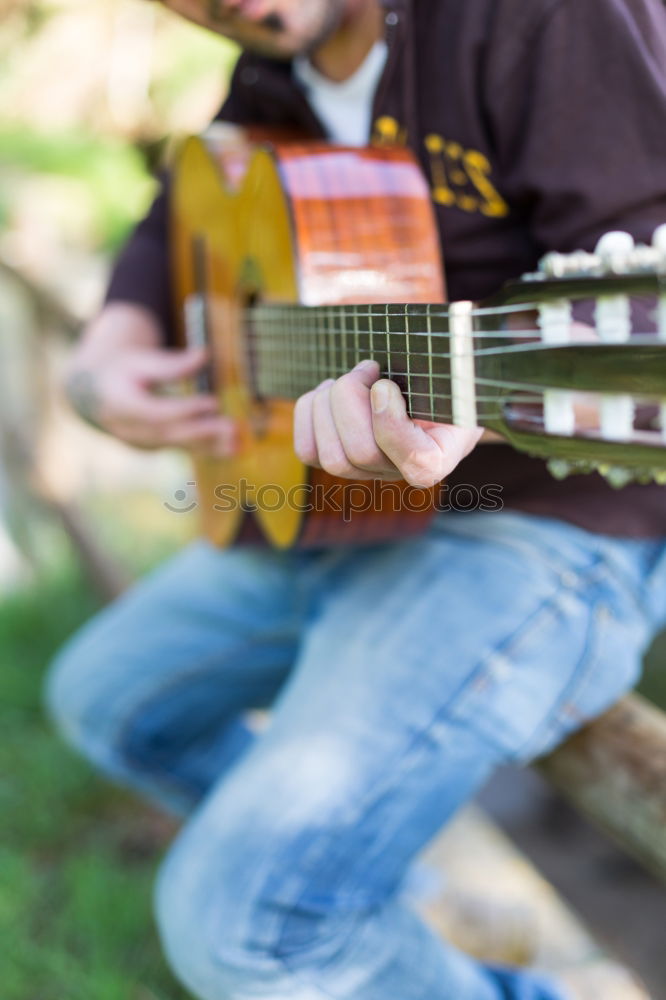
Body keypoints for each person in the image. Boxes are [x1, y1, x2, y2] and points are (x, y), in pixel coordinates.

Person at [46, 1, 666, 998]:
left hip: (546, 527)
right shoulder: (274, 69)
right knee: (109, 703)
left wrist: (478, 405)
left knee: (241, 927)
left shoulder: (542, 17)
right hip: (324, 505)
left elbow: (644, 299)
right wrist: (103, 360)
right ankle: (402, 910)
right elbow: (173, 224)